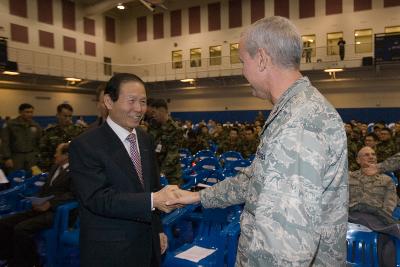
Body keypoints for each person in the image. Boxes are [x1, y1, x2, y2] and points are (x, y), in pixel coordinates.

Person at [167, 16, 348, 266]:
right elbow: (256, 180)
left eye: (243, 62)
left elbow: (287, 248)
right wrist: (198, 197)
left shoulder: (298, 125)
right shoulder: (295, 111)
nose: (243, 72)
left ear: (262, 59)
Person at [69, 73, 180, 267]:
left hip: (147, 244)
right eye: (131, 101)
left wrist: (158, 229)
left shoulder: (145, 139)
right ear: (108, 101)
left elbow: (151, 186)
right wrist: (153, 200)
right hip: (111, 250)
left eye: (143, 102)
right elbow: (98, 198)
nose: (139, 109)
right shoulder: (85, 145)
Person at [0, 142, 74, 267]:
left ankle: (29, 263)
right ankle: (9, 257)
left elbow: (73, 195)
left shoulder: (76, 171)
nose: (54, 155)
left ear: (66, 155)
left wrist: (50, 204)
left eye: (57, 152)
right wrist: (37, 200)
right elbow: (44, 189)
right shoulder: (55, 167)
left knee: (21, 229)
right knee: (4, 223)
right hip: (41, 207)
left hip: (57, 211)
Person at [349, 146, 398, 267]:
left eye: (373, 154)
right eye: (366, 154)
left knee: (388, 246)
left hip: (378, 220)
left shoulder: (386, 180)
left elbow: (389, 205)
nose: (371, 156)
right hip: (351, 218)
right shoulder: (348, 178)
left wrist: (380, 221)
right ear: (358, 160)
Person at [38, 103, 84, 171]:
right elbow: (43, 153)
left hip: (74, 169)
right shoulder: (49, 132)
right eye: (65, 116)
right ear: (58, 115)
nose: (68, 119)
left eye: (70, 116)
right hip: (54, 168)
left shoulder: (79, 131)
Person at [148, 99, 184, 185]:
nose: (153, 115)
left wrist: (160, 173)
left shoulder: (175, 129)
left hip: (171, 175)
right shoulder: (152, 125)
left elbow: (172, 155)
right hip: (155, 172)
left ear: (162, 110)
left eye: (154, 112)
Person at [0, 103, 42, 174]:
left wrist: (37, 155)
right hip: (16, 157)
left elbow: (39, 141)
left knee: (30, 178)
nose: (30, 114)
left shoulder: (35, 125)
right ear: (20, 112)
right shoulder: (10, 124)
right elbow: (5, 142)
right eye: (27, 112)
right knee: (15, 178)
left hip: (31, 157)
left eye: (31, 112)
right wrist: (7, 158)